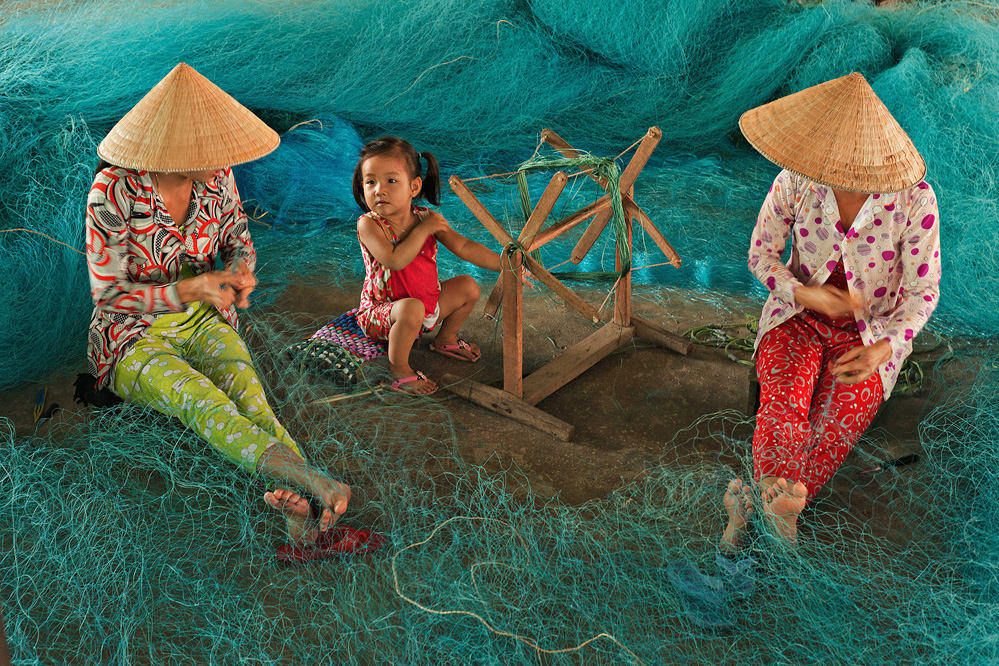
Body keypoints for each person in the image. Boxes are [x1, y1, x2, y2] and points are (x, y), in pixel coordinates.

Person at [86, 63, 351, 551]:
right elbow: (109, 295)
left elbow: (238, 239)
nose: (224, 158)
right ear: (175, 150)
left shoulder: (217, 176)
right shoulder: (112, 193)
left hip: (205, 320)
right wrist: (192, 289)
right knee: (203, 400)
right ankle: (310, 483)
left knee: (251, 398)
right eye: (211, 149)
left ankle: (301, 509)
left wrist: (240, 271)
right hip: (132, 336)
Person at [720, 73, 941, 550]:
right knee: (785, 400)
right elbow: (761, 254)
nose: (842, 172)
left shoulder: (915, 199)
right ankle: (779, 510)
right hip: (794, 321)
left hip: (868, 337)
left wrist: (885, 349)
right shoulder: (797, 179)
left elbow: (923, 291)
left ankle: (755, 513)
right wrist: (802, 294)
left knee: (837, 421)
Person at [352, 137, 510, 395]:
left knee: (468, 287)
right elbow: (394, 260)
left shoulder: (425, 217)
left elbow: (464, 246)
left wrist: (504, 264)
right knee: (411, 308)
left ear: (414, 187)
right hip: (383, 314)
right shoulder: (369, 224)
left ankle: (446, 338)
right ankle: (397, 369)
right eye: (370, 182)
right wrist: (424, 229)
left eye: (391, 181)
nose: (379, 190)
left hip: (426, 306)